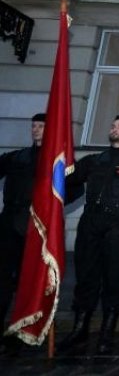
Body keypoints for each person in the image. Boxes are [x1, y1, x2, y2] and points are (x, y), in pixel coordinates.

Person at [60, 115, 119, 354]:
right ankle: (80, 329)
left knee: (114, 280)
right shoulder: (93, 160)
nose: (114, 129)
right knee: (86, 277)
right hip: (91, 225)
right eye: (113, 125)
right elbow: (67, 184)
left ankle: (107, 331)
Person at [0, 113, 45, 353]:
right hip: (9, 223)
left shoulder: (54, 160)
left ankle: (23, 328)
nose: (36, 130)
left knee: (28, 279)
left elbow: (73, 188)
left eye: (41, 126)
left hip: (35, 226)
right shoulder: (17, 156)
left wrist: (51, 205)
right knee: (3, 278)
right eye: (34, 126)